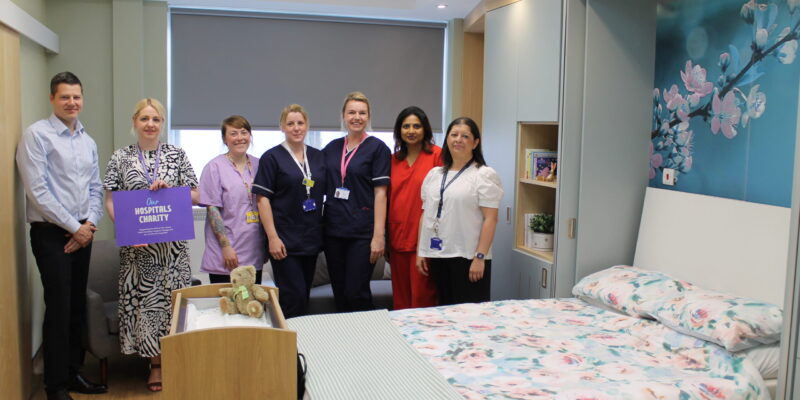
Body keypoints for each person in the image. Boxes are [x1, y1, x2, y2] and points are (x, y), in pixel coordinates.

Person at [16, 72, 107, 400]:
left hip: (83, 231)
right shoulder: (37, 136)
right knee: (58, 307)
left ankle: (73, 374)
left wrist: (89, 225)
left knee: (76, 307)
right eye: (65, 97)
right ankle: (54, 386)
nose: (72, 103)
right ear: (52, 99)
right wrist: (75, 228)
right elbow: (38, 191)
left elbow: (96, 188)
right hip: (52, 234)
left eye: (77, 97)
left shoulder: (87, 139)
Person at [103, 98, 199, 392]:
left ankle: (178, 360)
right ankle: (155, 365)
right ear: (135, 122)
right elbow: (110, 199)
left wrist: (174, 190)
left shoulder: (176, 155)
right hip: (138, 253)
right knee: (146, 309)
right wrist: (129, 231)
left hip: (172, 253)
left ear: (162, 123)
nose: (150, 124)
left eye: (155, 119)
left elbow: (195, 195)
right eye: (144, 118)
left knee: (172, 306)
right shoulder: (120, 158)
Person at [416, 117, 503, 305]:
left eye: (465, 136)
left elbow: (491, 219)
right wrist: (421, 250)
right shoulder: (434, 175)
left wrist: (480, 257)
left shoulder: (483, 174)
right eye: (454, 134)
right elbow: (427, 214)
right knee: (445, 310)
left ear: (475, 142)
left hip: (469, 257)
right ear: (447, 139)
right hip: (439, 254)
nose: (458, 139)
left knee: (470, 316)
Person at [253, 104, 326, 318]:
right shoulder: (272, 157)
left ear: (307, 126)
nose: (296, 128)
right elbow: (262, 199)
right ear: (282, 127)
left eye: (300, 123)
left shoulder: (317, 157)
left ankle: (301, 344)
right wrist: (272, 238)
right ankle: (287, 348)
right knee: (292, 297)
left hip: (311, 238)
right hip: (284, 241)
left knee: (304, 295)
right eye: (290, 123)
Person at [321, 92, 391, 312]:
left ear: (368, 116)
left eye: (362, 113)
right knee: (340, 292)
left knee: (356, 292)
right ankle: (344, 341)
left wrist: (379, 236)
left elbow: (381, 194)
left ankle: (369, 337)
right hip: (333, 230)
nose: (357, 117)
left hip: (362, 232)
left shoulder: (378, 148)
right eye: (352, 112)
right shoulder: (331, 148)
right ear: (343, 115)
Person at [198, 115, 266, 284]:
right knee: (227, 304)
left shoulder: (260, 165)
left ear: (250, 136)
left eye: (244, 132)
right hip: (225, 252)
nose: (240, 138)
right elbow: (212, 209)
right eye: (233, 133)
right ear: (224, 139)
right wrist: (226, 247)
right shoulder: (214, 167)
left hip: (253, 249)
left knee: (250, 303)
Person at [388, 106, 441, 310]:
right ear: (399, 130)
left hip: (424, 238)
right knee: (400, 299)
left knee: (423, 297)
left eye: (416, 126)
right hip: (397, 237)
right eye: (406, 126)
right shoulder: (393, 160)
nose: (411, 130)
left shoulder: (437, 156)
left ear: (425, 129)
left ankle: (425, 341)